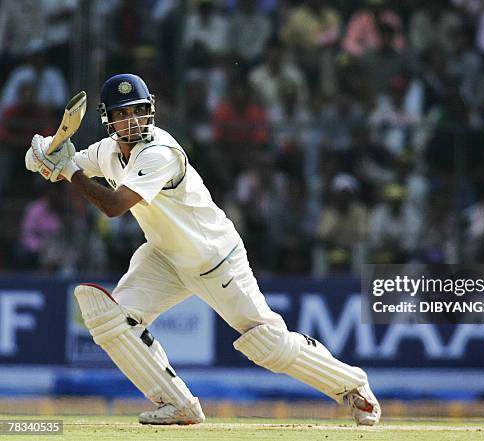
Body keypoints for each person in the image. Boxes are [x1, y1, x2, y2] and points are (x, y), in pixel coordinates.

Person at [24, 73, 381, 426]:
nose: (132, 120)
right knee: (111, 322)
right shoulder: (107, 152)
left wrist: (66, 168)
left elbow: (113, 205)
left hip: (214, 258)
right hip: (164, 256)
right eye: (122, 113)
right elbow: (60, 164)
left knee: (268, 345)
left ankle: (352, 385)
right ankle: (177, 404)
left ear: (150, 111)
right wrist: (43, 153)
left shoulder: (159, 152)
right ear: (108, 119)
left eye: (137, 111)